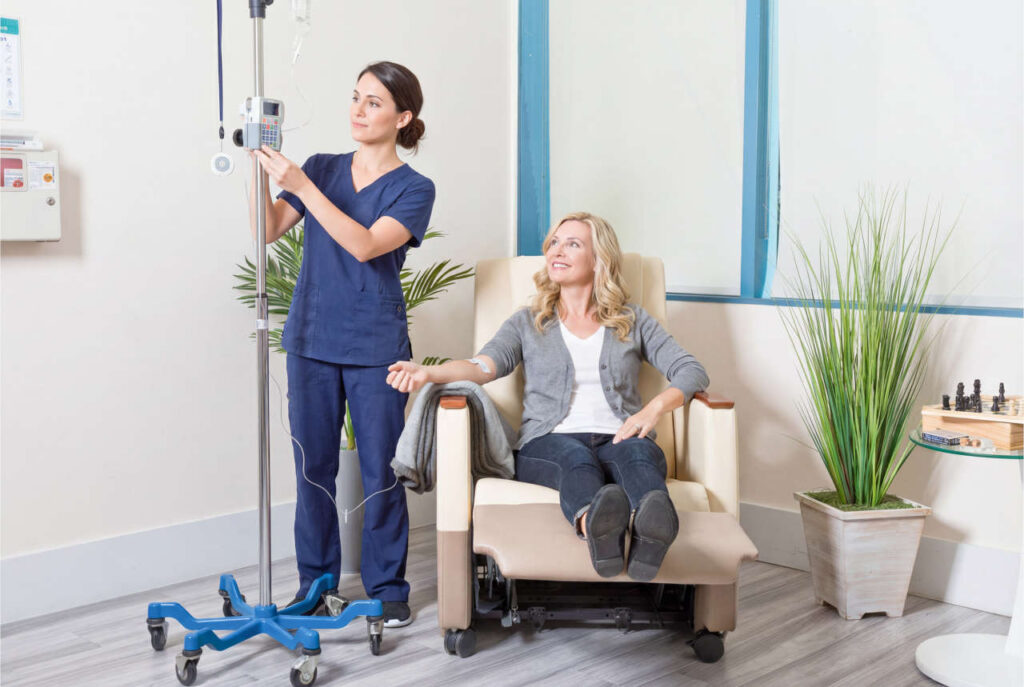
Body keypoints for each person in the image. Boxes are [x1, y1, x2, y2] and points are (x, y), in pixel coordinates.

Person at [386, 212, 708, 581]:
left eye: (573, 243)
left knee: (638, 457)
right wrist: (430, 373)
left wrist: (653, 411)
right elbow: (483, 367)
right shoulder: (528, 322)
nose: (557, 250)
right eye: (554, 242)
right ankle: (597, 530)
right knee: (576, 462)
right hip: (548, 442)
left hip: (621, 436)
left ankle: (653, 536)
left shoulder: (632, 320)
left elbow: (691, 370)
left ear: (599, 258)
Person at [250, 61, 435, 626]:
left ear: (403, 117)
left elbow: (363, 245)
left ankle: (386, 586)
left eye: (374, 102)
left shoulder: (413, 188)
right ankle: (317, 584)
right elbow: (266, 229)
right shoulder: (323, 167)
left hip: (375, 344)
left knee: (380, 468)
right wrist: (261, 166)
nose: (359, 110)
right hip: (310, 338)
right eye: (356, 97)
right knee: (314, 468)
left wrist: (301, 186)